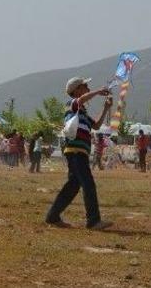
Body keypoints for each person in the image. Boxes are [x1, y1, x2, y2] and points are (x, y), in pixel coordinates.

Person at [45, 77, 113, 230]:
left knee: (73, 186)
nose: (88, 87)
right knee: (88, 184)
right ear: (76, 90)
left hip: (78, 151)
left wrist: (106, 108)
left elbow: (96, 125)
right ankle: (93, 221)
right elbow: (81, 100)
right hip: (76, 152)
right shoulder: (72, 104)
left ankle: (52, 216)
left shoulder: (82, 111)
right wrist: (98, 91)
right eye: (85, 85)